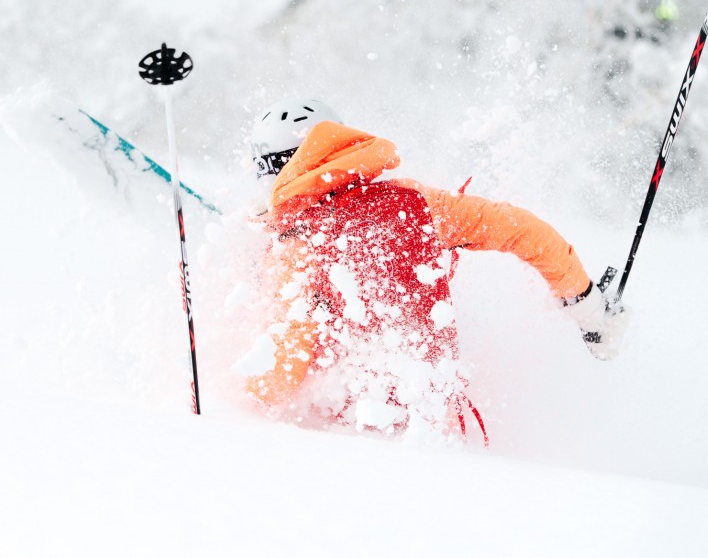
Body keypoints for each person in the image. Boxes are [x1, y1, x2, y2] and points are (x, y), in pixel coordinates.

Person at [241, 97, 622, 441]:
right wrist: (587, 304)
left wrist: (233, 390)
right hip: (435, 426)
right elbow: (523, 232)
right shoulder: (414, 203)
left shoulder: (294, 247)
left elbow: (277, 381)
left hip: (347, 442)